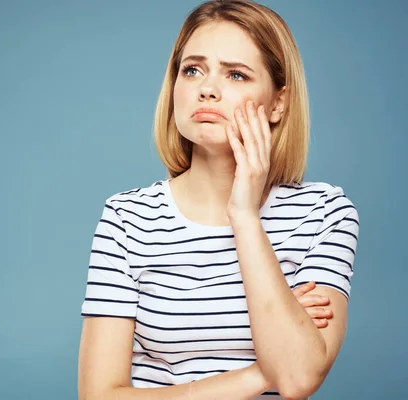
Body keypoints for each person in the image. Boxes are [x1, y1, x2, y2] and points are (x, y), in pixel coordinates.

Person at [77, 0, 359, 399]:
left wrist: (244, 215)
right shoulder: (127, 218)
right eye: (193, 70)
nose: (207, 88)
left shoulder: (323, 213)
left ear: (278, 102)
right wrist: (263, 373)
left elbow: (297, 381)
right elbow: (98, 396)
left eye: (237, 75)